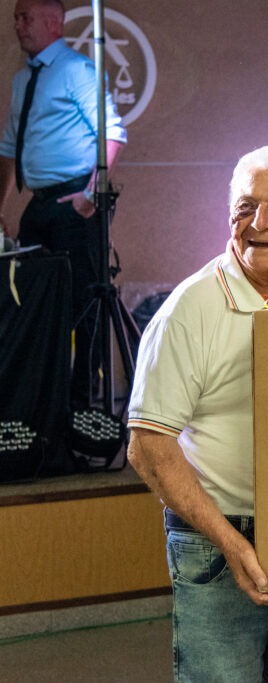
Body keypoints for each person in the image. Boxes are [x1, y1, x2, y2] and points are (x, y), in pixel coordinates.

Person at [126, 145, 268, 682]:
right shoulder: (191, 308)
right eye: (245, 207)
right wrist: (232, 546)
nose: (258, 223)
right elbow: (148, 446)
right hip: (217, 539)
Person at [0, 0, 127, 410]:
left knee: (85, 303)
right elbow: (9, 148)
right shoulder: (24, 79)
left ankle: (82, 404)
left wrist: (90, 195)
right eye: (16, 18)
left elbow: (112, 134)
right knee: (34, 302)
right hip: (40, 204)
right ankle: (43, 402)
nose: (18, 25)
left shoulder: (77, 70)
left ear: (54, 22)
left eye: (26, 17)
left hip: (75, 201)